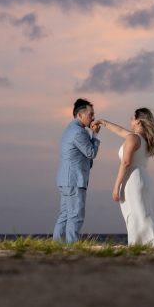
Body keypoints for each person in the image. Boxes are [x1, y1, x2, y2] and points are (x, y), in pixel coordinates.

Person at [97, 108, 154, 245]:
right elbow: (120, 131)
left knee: (135, 216)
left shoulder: (133, 138)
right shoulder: (142, 139)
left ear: (138, 120)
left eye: (132, 117)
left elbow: (125, 162)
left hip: (133, 179)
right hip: (143, 178)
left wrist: (116, 186)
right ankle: (147, 243)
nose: (130, 120)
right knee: (143, 215)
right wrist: (103, 122)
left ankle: (145, 243)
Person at [53, 98, 100, 243]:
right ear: (80, 115)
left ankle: (57, 246)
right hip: (74, 179)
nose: (93, 117)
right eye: (91, 114)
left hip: (65, 179)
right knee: (76, 215)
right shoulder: (79, 132)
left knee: (66, 214)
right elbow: (91, 153)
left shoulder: (70, 129)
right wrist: (96, 135)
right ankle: (71, 247)